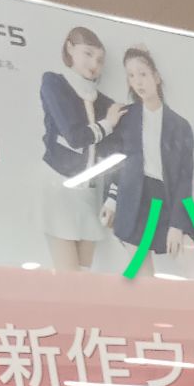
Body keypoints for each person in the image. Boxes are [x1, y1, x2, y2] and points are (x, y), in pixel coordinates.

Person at [40, 26, 128, 272]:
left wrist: (112, 198)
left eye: (99, 60)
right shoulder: (54, 83)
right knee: (68, 274)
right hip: (58, 184)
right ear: (70, 48)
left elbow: (116, 156)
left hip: (89, 193)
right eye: (88, 54)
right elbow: (75, 136)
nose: (94, 64)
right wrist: (108, 124)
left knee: (83, 275)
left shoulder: (105, 103)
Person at [100, 47, 194, 272]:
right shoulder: (125, 118)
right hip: (133, 200)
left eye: (142, 74)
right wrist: (111, 200)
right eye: (131, 76)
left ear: (156, 77)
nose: (138, 81)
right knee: (144, 278)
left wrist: (177, 223)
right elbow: (115, 164)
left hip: (167, 199)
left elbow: (184, 179)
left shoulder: (180, 126)